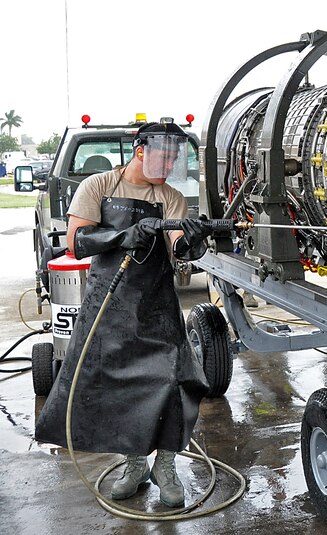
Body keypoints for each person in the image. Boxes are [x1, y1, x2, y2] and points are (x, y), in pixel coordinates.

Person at [35, 122, 212, 508]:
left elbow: (178, 247)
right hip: (109, 303)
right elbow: (77, 242)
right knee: (120, 388)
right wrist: (123, 236)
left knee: (175, 382)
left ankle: (165, 466)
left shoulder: (171, 197)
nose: (169, 162)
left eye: (174, 156)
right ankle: (134, 465)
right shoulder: (98, 186)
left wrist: (193, 241)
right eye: (163, 154)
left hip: (157, 304)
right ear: (140, 150)